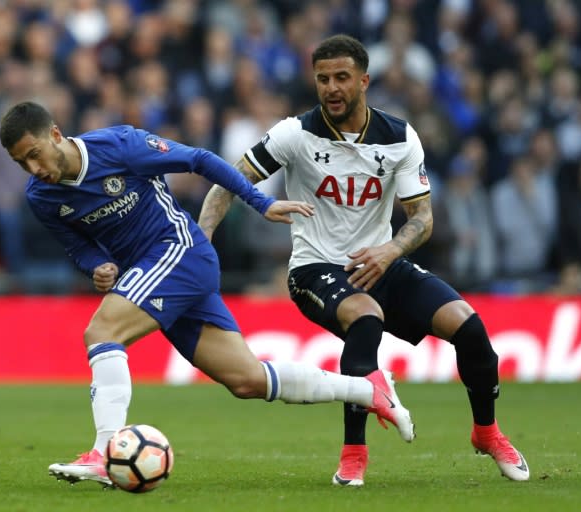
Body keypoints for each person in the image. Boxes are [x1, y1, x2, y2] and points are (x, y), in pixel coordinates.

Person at [0, 100, 414, 487]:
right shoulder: (42, 197)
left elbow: (198, 159)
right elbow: (77, 245)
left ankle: (104, 453)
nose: (33, 168)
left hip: (178, 250)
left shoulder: (120, 146)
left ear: (55, 135)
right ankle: (368, 390)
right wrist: (96, 266)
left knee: (101, 332)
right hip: (158, 275)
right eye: (21, 163)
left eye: (35, 153)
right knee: (247, 379)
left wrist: (257, 200)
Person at [198, 34, 529, 486]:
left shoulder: (399, 138)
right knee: (366, 318)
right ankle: (354, 453)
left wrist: (391, 249)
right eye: (322, 79)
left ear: (364, 81)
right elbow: (227, 181)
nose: (331, 88)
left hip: (381, 262)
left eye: (341, 78)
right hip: (314, 269)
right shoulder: (295, 134)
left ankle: (486, 432)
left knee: (469, 327)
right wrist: (203, 237)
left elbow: (422, 218)